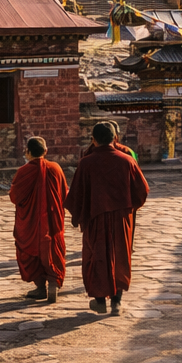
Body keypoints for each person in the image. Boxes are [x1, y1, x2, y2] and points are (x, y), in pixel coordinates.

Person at [66, 121, 150, 314]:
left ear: (93, 140)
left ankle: (100, 301)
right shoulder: (127, 161)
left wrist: (78, 215)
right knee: (120, 257)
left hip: (95, 219)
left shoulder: (86, 163)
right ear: (115, 138)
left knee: (96, 257)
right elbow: (142, 190)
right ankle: (116, 302)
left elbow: (77, 194)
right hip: (121, 219)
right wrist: (129, 208)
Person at [8, 136, 68, 304]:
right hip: (51, 221)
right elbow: (64, 193)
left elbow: (15, 197)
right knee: (52, 249)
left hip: (30, 222)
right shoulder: (55, 168)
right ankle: (53, 283)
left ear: (27, 152)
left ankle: (40, 287)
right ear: (46, 151)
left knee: (31, 251)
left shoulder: (23, 172)